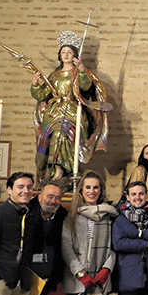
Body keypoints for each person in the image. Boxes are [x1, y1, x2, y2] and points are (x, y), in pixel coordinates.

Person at [26, 31, 110, 182]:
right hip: (54, 113)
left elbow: (86, 87)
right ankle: (54, 170)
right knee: (54, 134)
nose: (66, 55)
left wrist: (83, 71)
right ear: (59, 55)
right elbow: (42, 95)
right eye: (63, 52)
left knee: (62, 134)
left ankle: (63, 170)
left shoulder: (79, 72)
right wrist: (35, 82)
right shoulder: (54, 75)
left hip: (73, 112)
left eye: (70, 52)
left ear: (75, 56)